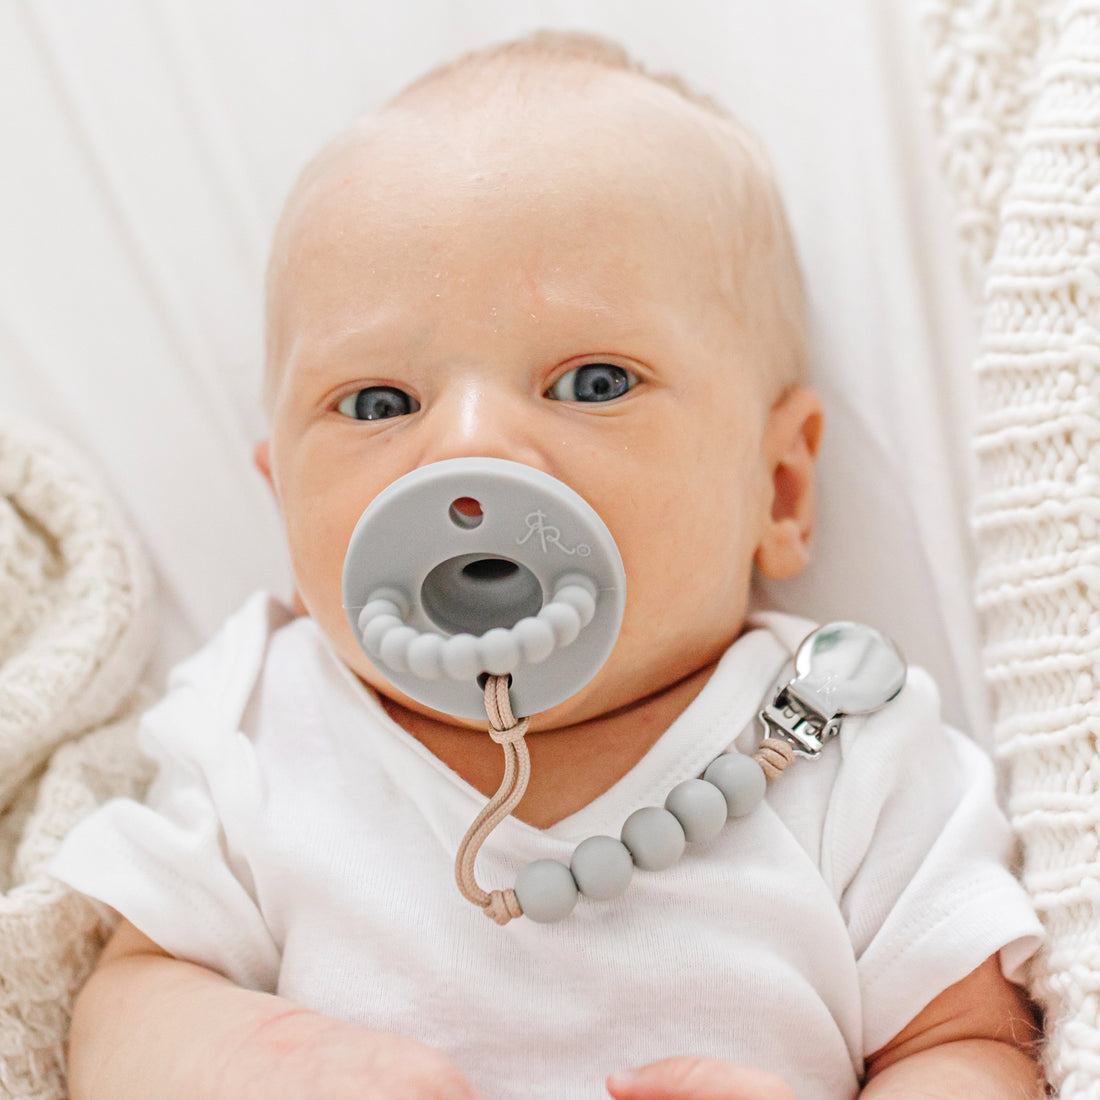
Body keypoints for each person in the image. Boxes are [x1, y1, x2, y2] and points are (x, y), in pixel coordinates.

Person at [50, 30, 1045, 1100]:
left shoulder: (837, 738)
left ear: (780, 488)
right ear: (286, 503)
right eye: (380, 404)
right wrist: (266, 1061)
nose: (469, 449)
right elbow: (124, 998)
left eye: (592, 381)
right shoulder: (263, 719)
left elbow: (972, 1044)